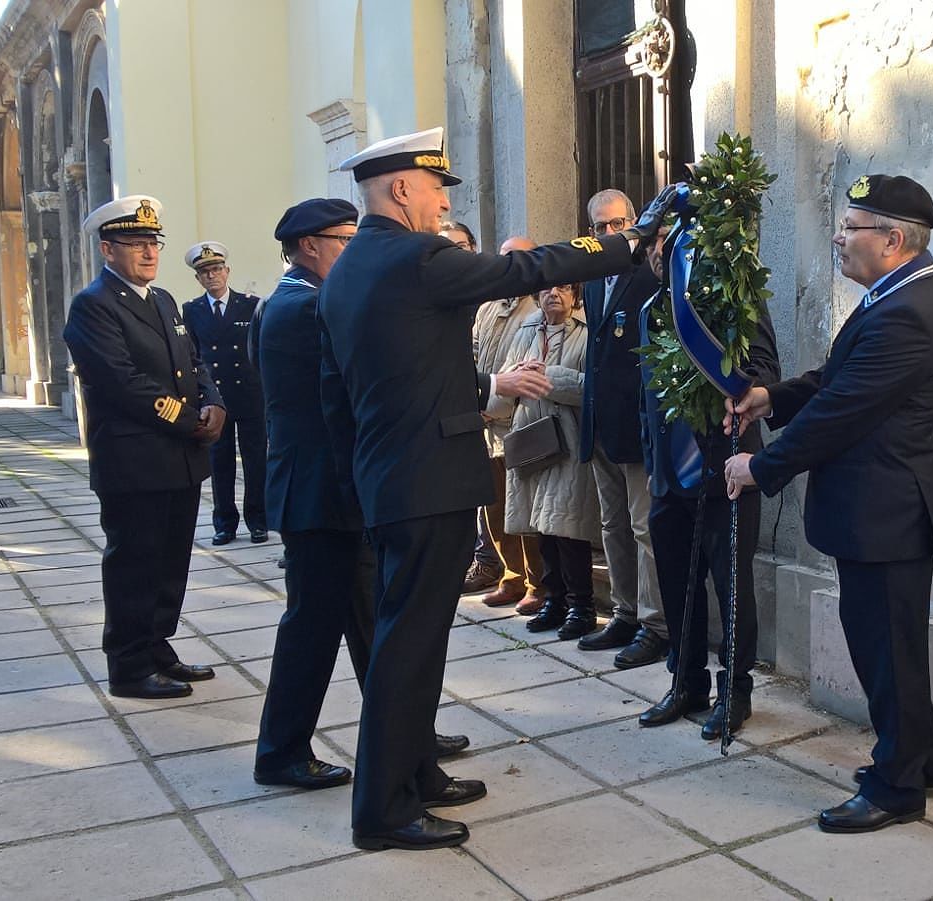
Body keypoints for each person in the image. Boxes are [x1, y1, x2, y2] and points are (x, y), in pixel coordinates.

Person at [316, 126, 673, 852]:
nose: (442, 204)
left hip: (394, 475)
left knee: (413, 640)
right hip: (424, 481)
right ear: (403, 188)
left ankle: (416, 772)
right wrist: (625, 243)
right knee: (407, 645)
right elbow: (524, 269)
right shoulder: (415, 256)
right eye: (436, 189)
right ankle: (383, 809)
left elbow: (376, 382)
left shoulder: (355, 263)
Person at [723, 174, 933, 834]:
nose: (838, 235)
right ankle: (928, 756)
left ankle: (896, 785)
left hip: (884, 512)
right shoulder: (898, 296)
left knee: (885, 651)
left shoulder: (911, 314)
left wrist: (757, 465)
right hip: (879, 508)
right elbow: (837, 380)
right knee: (892, 650)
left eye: (851, 226)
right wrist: (773, 396)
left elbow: (840, 411)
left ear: (892, 240)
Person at [248, 198, 471, 790]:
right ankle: (281, 752)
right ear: (306, 247)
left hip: (333, 492)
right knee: (313, 630)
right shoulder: (305, 308)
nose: (353, 253)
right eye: (343, 241)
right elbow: (376, 377)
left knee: (375, 623)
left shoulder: (302, 301)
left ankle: (406, 738)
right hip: (320, 497)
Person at [63, 195, 226, 700]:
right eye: (136, 244)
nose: (149, 252)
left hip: (178, 459)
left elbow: (192, 362)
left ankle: (158, 647)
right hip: (134, 459)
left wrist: (214, 402)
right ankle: (129, 665)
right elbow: (120, 382)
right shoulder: (93, 305)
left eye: (153, 242)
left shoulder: (162, 301)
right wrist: (185, 418)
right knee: (135, 562)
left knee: (171, 560)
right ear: (108, 249)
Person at [638, 225, 780, 739]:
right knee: (677, 585)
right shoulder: (651, 309)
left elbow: (766, 371)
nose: (658, 252)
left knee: (731, 587)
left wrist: (734, 384)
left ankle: (734, 692)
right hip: (669, 477)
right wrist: (653, 461)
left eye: (667, 243)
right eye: (654, 244)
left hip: (726, 470)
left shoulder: (730, 305)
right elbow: (646, 395)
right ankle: (687, 682)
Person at [576, 187, 670, 668]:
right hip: (601, 425)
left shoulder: (649, 271)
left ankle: (656, 625)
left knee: (643, 527)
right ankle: (624, 612)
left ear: (634, 222)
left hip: (636, 426)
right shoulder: (593, 276)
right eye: (599, 227)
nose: (609, 234)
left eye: (617, 225)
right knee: (611, 525)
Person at [487, 283, 600, 638]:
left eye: (564, 288)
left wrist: (546, 376)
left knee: (568, 526)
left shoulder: (587, 330)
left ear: (575, 295)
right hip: (529, 438)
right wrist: (517, 377)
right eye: (548, 288)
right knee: (541, 527)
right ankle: (554, 599)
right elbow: (505, 382)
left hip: (568, 438)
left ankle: (581, 605)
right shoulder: (526, 330)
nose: (555, 294)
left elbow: (593, 386)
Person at [473, 236, 549, 615]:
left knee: (526, 511)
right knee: (494, 508)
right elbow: (471, 355)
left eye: (519, 258)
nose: (510, 265)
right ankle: (511, 576)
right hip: (486, 425)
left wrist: (494, 406)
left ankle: (537, 583)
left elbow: (529, 368)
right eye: (505, 258)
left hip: (517, 423)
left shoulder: (537, 308)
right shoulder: (486, 306)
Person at [182, 242, 268, 545]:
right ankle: (224, 523)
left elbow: (259, 348)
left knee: (256, 459)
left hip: (250, 393)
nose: (211, 276)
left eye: (216, 269)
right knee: (220, 462)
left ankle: (258, 520)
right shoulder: (191, 310)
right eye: (204, 272)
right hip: (216, 398)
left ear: (227, 271)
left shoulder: (251, 304)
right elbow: (191, 356)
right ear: (198, 279)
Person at [444, 220, 508, 595]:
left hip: (496, 409)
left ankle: (490, 562)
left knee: (497, 496)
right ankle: (477, 557)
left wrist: (488, 396)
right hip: (462, 409)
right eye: (445, 248)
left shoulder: (486, 297)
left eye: (461, 246)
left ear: (473, 248)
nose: (455, 255)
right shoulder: (440, 297)